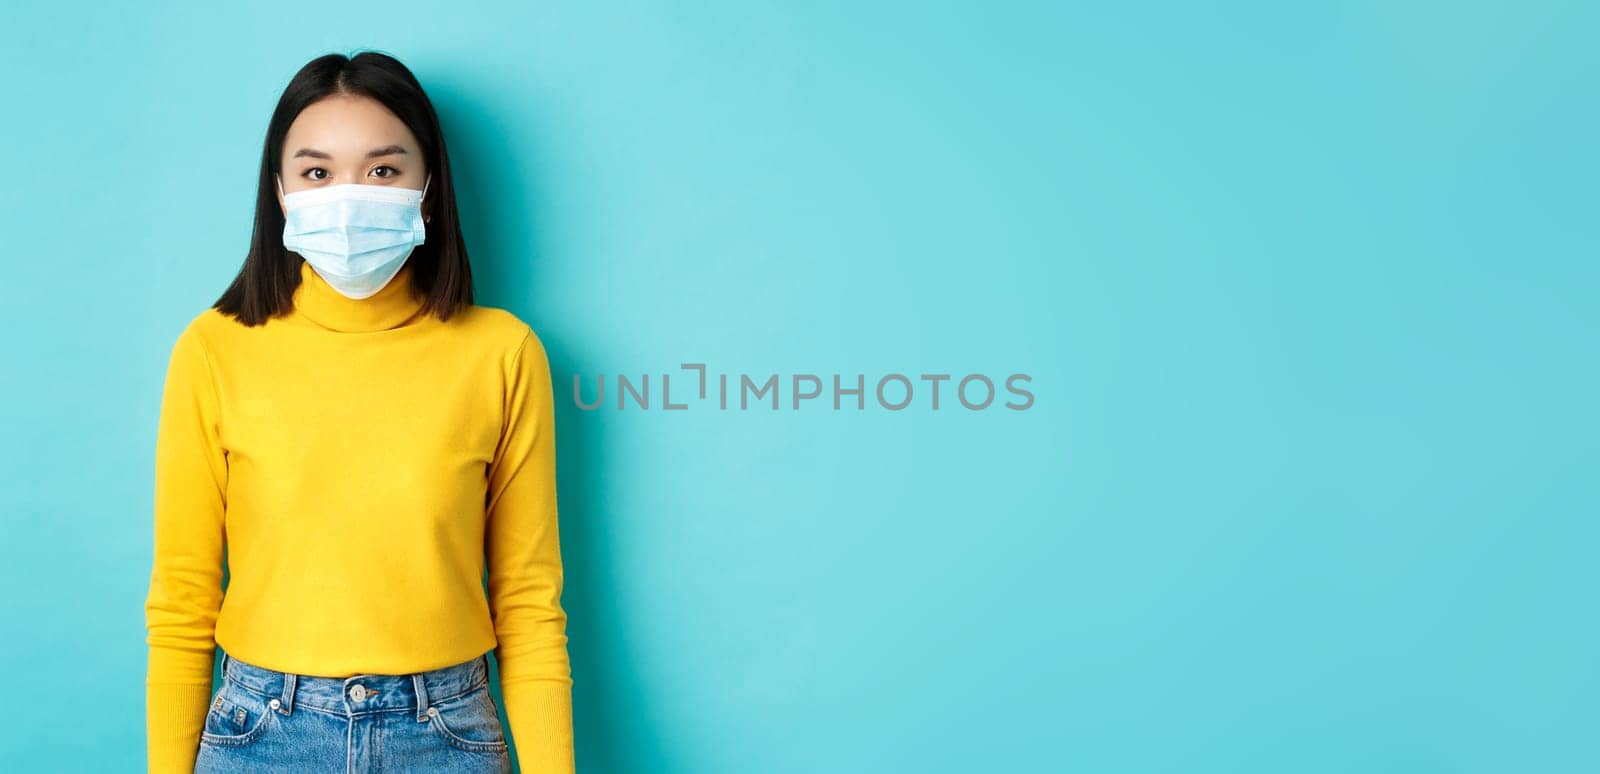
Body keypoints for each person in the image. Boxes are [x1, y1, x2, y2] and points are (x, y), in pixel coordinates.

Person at [143, 50, 574, 773]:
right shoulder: (214, 349)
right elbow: (182, 601)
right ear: (280, 192)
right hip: (260, 732)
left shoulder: (503, 353)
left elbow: (529, 602)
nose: (349, 195)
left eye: (383, 170)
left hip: (448, 732)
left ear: (428, 188)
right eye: (317, 172)